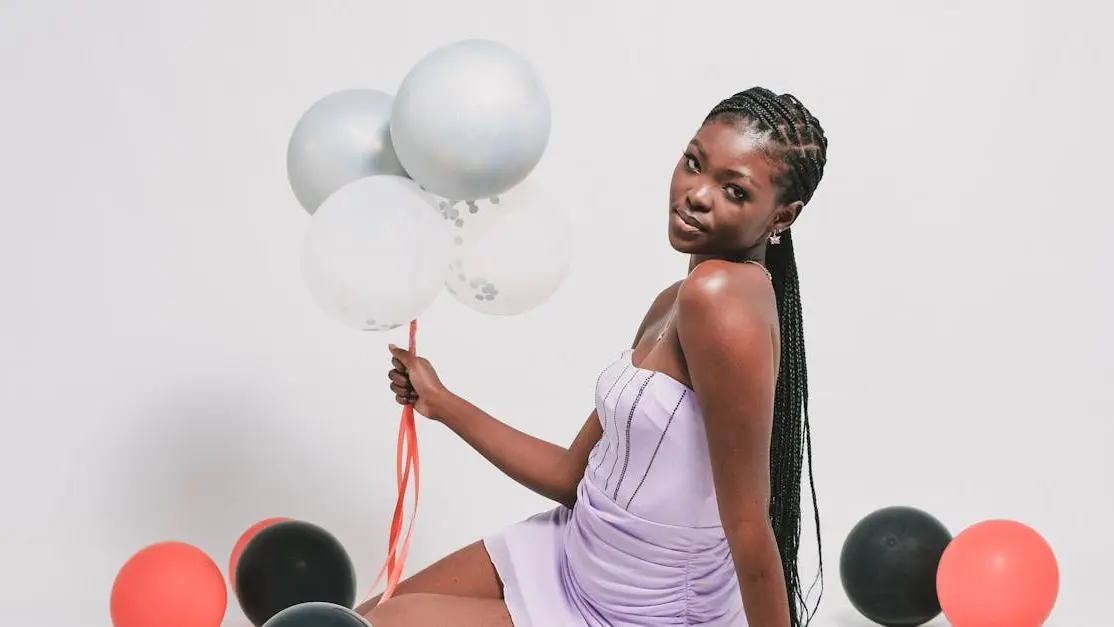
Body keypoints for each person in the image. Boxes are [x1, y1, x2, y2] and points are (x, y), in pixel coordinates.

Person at [357, 86, 828, 627]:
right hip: (570, 552)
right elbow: (571, 477)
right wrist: (441, 402)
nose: (697, 194)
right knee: (359, 616)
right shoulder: (674, 302)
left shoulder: (717, 297)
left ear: (782, 216)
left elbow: (748, 527)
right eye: (694, 163)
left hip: (634, 608)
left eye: (735, 191)